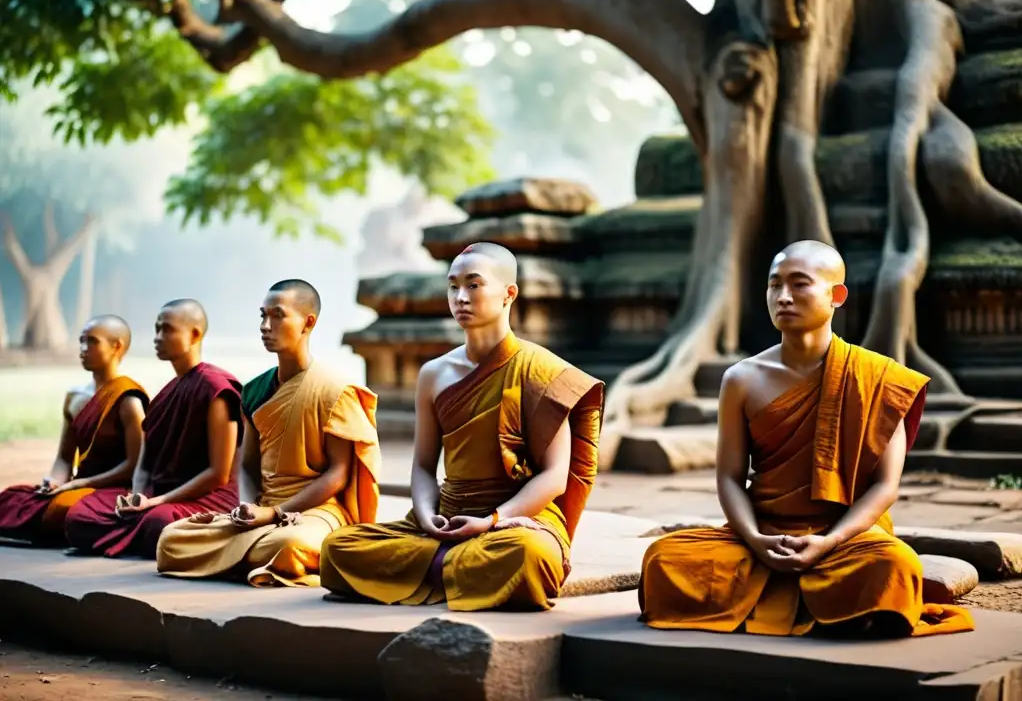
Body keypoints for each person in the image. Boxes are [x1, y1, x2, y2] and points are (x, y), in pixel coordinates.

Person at [638, 240, 975, 638]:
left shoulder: (879, 378)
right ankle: (829, 606)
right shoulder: (742, 379)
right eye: (773, 285)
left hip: (845, 537)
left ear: (837, 296)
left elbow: (885, 486)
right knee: (663, 558)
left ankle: (787, 597)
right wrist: (756, 539)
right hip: (763, 533)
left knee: (894, 566)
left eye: (799, 284)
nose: (783, 297)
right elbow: (729, 477)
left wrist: (829, 541)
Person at [320, 242, 604, 612]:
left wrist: (491, 521)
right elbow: (423, 466)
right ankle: (459, 569)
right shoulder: (434, 374)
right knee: (338, 548)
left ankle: (430, 569)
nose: (460, 297)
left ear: (509, 294)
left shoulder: (543, 371)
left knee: (530, 556)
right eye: (453, 286)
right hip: (447, 518)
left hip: (514, 522)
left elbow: (554, 478)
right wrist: (425, 515)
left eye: (473, 285)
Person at [155, 280, 381, 587]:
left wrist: (275, 513)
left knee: (289, 544)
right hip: (263, 508)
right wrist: (246, 508)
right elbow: (246, 465)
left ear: (308, 322)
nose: (265, 325)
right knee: (171, 538)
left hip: (315, 513)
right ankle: (257, 559)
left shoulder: (336, 390)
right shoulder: (254, 390)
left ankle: (241, 559)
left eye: (277, 316)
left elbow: (338, 474)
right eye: (262, 316)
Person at [64, 300, 243, 558]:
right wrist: (136, 498)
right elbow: (145, 465)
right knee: (79, 516)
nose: (157, 337)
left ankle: (147, 532)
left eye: (167, 330)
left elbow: (218, 474)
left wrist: (156, 502)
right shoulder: (164, 396)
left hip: (207, 498)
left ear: (194, 334)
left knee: (157, 523)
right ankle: (145, 532)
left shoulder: (215, 389)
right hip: (160, 495)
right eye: (156, 329)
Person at [0, 316, 148, 545]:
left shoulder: (128, 400)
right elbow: (64, 457)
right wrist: (55, 481)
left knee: (64, 508)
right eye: (81, 341)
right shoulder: (75, 396)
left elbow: (134, 465)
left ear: (116, 346)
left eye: (92, 342)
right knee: (9, 498)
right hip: (76, 486)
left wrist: (79, 484)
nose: (82, 349)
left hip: (112, 488)